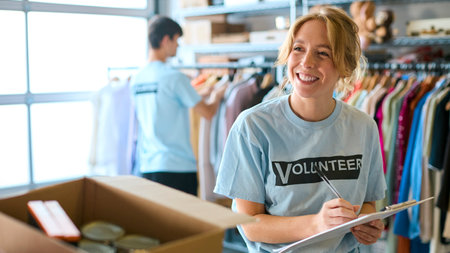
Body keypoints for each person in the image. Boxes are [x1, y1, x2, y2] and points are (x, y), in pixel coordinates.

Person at [214, 6, 387, 252]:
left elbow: (369, 202)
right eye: (298, 49)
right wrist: (317, 224)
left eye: (323, 53)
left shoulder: (364, 127)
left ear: (345, 66)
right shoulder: (253, 127)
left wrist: (366, 224)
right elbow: (249, 224)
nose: (306, 62)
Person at [131, 16, 227, 196]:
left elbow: (164, 101)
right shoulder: (174, 77)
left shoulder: (137, 78)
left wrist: (200, 94)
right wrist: (216, 96)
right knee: (182, 223)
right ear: (166, 40)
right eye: (177, 40)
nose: (178, 46)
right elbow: (207, 112)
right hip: (177, 168)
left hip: (147, 167)